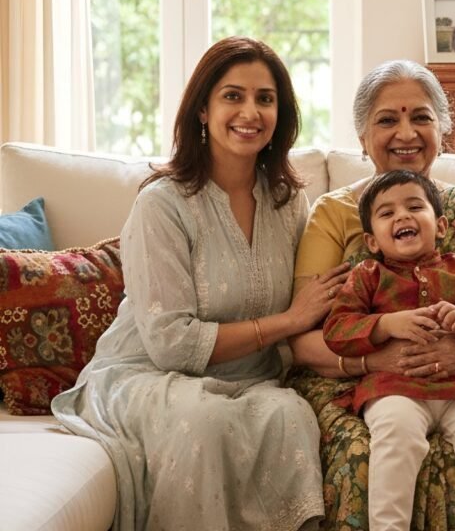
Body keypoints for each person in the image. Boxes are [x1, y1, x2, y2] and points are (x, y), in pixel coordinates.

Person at [50, 36, 345, 530]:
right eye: (233, 95)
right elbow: (170, 343)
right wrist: (287, 321)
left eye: (265, 98)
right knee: (205, 423)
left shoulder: (289, 203)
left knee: (292, 416)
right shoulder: (161, 204)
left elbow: (312, 310)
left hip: (251, 379)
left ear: (280, 115)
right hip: (145, 377)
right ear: (203, 111)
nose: (250, 111)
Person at [285, 59, 455, 530]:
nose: (405, 132)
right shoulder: (335, 214)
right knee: (369, 446)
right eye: (387, 119)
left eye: (421, 117)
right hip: (362, 381)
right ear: (363, 137)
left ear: (443, 130)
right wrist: (380, 356)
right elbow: (304, 340)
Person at [324, 170, 455, 530]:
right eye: (387, 213)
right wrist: (385, 325)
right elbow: (336, 330)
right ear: (371, 241)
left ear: (442, 226)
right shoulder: (368, 276)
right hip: (395, 388)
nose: (402, 216)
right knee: (396, 432)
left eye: (414, 206)